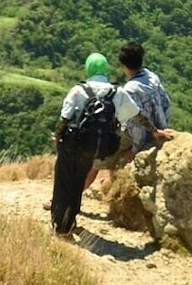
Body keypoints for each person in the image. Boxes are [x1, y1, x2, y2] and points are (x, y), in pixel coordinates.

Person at [84, 42, 178, 189]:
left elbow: (136, 124)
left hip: (144, 134)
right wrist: (163, 126)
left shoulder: (130, 89)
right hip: (159, 127)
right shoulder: (152, 76)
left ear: (123, 66)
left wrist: (134, 149)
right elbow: (166, 102)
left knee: (100, 156)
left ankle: (75, 195)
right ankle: (113, 187)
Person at [47, 53, 121, 238]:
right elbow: (133, 114)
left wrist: (57, 137)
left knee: (64, 183)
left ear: (88, 68)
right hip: (93, 147)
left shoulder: (79, 90)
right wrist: (154, 130)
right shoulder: (116, 92)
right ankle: (70, 222)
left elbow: (64, 118)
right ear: (106, 69)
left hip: (72, 143)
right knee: (78, 183)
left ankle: (60, 226)